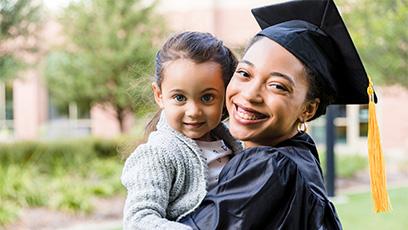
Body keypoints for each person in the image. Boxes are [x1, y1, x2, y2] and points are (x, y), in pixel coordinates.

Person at [180, 0, 390, 229]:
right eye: (244, 73)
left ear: (307, 109)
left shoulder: (271, 166)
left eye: (278, 86)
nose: (250, 94)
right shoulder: (298, 155)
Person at [120, 31, 242, 229]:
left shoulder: (235, 144)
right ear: (159, 95)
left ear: (226, 94)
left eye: (207, 98)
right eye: (179, 98)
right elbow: (138, 219)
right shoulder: (158, 155)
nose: (193, 112)